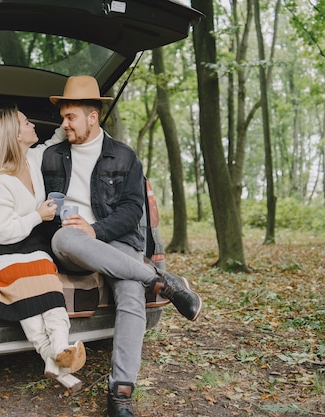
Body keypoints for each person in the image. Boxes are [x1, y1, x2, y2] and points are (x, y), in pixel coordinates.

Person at [41, 76, 203, 417]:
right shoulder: (52, 156)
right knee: (64, 236)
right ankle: (159, 280)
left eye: (70, 117)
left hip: (114, 239)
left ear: (92, 117)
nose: (64, 124)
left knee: (130, 293)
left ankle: (121, 394)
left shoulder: (124, 156)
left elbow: (132, 211)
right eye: (63, 117)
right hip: (73, 245)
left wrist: (96, 228)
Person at [0, 106, 86, 381]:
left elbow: (56, 139)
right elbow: (2, 233)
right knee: (25, 282)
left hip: (25, 239)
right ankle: (51, 356)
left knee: (45, 275)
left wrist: (73, 112)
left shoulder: (32, 158)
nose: (32, 125)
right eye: (26, 122)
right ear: (14, 135)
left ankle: (61, 348)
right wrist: (37, 215)